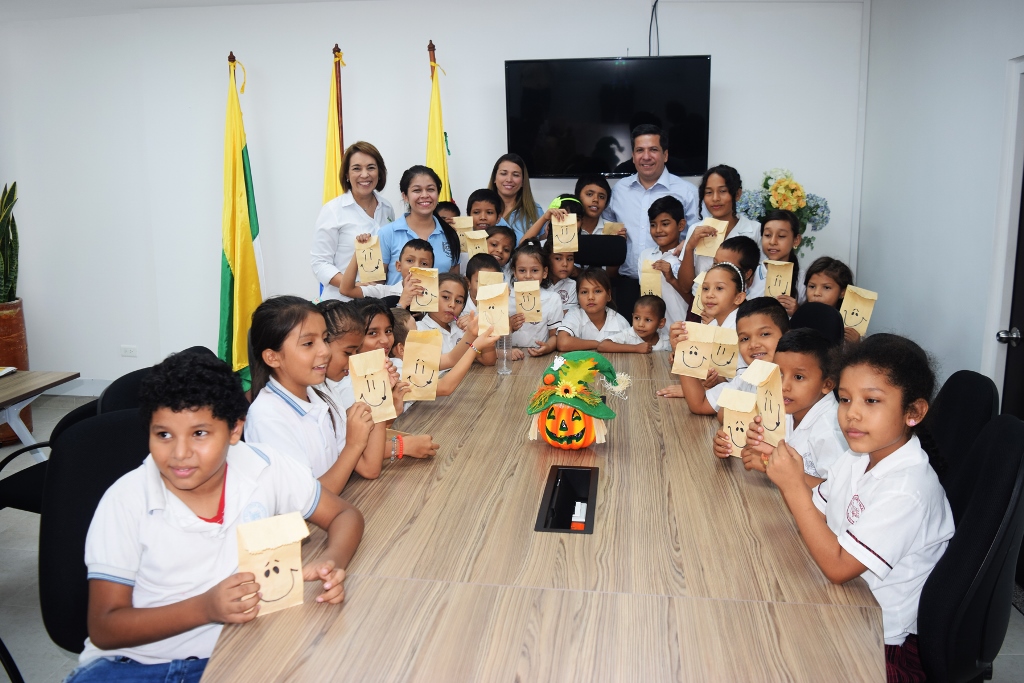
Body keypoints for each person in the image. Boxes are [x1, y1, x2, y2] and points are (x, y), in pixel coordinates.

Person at [67, 350, 363, 683]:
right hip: (132, 665)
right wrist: (205, 608)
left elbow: (344, 515)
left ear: (235, 429)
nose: (180, 453)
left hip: (236, 650)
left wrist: (332, 561)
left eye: (200, 434)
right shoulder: (127, 499)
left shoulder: (265, 467)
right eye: (163, 434)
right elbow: (106, 627)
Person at [764, 334, 953, 682]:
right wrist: (781, 465)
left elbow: (838, 567)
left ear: (913, 412)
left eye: (871, 401)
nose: (852, 414)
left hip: (880, 642)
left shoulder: (907, 489)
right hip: (848, 604)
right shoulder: (861, 455)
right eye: (845, 399)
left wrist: (791, 484)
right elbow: (823, 498)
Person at [245, 296, 383, 486]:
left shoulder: (320, 396)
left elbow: (369, 467)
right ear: (272, 357)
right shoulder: (267, 418)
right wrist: (354, 445)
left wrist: (381, 397)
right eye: (308, 343)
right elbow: (308, 502)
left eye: (325, 339)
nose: (325, 351)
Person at [317, 301, 439, 462]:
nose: (384, 340)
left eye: (388, 331)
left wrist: (390, 409)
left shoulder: (384, 368)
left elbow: (372, 434)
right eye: (372, 333)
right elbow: (362, 457)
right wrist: (402, 446)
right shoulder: (341, 387)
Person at [721, 329, 847, 481]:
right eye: (779, 374)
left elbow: (834, 492)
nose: (783, 386)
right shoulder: (788, 407)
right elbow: (760, 446)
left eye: (798, 377)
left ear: (827, 384)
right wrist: (729, 443)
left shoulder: (831, 432)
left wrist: (771, 466)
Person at [602, 124, 700, 315]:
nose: (646, 156)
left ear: (665, 155)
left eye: (653, 150)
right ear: (633, 155)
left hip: (671, 283)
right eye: (640, 150)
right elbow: (607, 230)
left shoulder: (687, 192)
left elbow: (695, 237)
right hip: (626, 286)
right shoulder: (619, 190)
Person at [662, 297, 789, 415]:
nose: (753, 344)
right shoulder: (747, 379)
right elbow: (700, 405)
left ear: (787, 335)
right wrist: (683, 352)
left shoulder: (798, 380)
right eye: (745, 338)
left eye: (765, 334)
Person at [311, 141, 395, 300]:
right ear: (347, 175)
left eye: (371, 167)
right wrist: (352, 286)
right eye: (357, 168)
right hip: (342, 305)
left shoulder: (387, 208)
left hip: (379, 305)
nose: (365, 175)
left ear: (380, 172)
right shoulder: (333, 210)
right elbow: (319, 262)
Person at [677, 165, 762, 298]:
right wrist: (689, 247)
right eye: (709, 192)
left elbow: (760, 280)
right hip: (701, 309)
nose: (715, 198)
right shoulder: (696, 230)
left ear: (737, 194)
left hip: (740, 310)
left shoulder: (754, 230)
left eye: (722, 191)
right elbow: (684, 286)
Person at [391, 305, 500, 397]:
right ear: (401, 349)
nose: (421, 334)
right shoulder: (397, 371)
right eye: (416, 333)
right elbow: (445, 387)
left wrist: (471, 333)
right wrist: (474, 347)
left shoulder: (413, 359)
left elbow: (451, 359)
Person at [377, 166, 461, 283]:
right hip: (395, 301)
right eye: (417, 190)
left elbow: (454, 283)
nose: (425, 195)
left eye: (430, 189)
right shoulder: (387, 233)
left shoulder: (450, 234)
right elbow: (377, 285)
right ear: (405, 196)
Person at [556, 268, 645, 353]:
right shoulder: (574, 315)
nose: (590, 297)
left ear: (608, 295)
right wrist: (599, 344)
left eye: (597, 291)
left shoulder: (620, 322)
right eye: (584, 292)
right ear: (578, 297)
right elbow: (563, 343)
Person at [417, 273, 495, 368]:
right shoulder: (418, 329)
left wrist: (479, 331)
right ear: (430, 296)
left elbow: (488, 360)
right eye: (446, 297)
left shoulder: (461, 329)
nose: (452, 305)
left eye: (458, 301)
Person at [338, 237, 433, 309]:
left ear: (431, 270)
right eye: (410, 260)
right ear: (398, 266)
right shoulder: (384, 292)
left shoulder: (437, 297)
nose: (416, 266)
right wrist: (358, 251)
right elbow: (346, 290)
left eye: (424, 263)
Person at [637, 196, 689, 325]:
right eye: (653, 225)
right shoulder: (646, 256)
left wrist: (672, 279)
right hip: (654, 333)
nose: (658, 230)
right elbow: (645, 298)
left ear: (681, 225)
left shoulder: (688, 256)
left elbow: (696, 301)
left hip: (683, 328)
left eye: (665, 224)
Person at [507, 240, 563, 360]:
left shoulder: (552, 299)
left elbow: (555, 335)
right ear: (514, 272)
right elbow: (493, 334)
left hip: (539, 357)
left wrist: (548, 347)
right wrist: (509, 326)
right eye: (522, 270)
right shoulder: (506, 297)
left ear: (545, 272)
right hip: (511, 356)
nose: (528, 276)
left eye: (535, 270)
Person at [752, 209, 806, 315]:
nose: (772, 242)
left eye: (781, 236)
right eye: (767, 235)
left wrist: (798, 311)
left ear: (796, 240)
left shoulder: (803, 279)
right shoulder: (750, 274)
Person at [487, 153, 543, 242]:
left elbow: (541, 248)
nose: (509, 179)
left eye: (516, 175)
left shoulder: (535, 211)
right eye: (503, 173)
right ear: (494, 178)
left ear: (523, 182)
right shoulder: (480, 208)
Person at [804, 256, 860, 342]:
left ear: (842, 292)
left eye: (826, 288)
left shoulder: (850, 324)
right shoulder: (801, 316)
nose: (816, 293)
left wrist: (856, 343)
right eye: (812, 286)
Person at [546, 238, 577, 315]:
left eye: (570, 259)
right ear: (547, 259)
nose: (565, 264)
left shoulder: (572, 285)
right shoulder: (538, 283)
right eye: (558, 258)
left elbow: (569, 316)